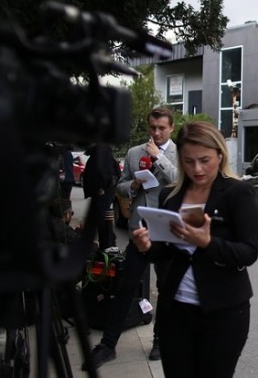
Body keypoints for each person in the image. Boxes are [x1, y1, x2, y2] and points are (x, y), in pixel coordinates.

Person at [131, 121, 258, 377]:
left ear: (220, 155)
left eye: (205, 160)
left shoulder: (239, 193)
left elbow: (248, 252)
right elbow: (166, 251)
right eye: (189, 161)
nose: (197, 169)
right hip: (176, 311)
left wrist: (207, 242)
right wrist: (146, 246)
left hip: (224, 313)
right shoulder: (171, 195)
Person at [84, 107, 178, 370]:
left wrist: (158, 157)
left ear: (171, 128)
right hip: (139, 230)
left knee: (166, 289)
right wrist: (133, 186)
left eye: (161, 128)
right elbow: (121, 186)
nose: (156, 133)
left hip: (166, 232)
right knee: (126, 287)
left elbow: (178, 181)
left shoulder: (178, 154)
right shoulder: (135, 153)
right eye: (152, 127)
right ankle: (108, 344)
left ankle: (160, 339)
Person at [82, 143, 121, 250]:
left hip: (103, 193)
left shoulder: (100, 152)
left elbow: (102, 173)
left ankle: (107, 246)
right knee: (103, 221)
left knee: (103, 220)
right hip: (104, 192)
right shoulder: (101, 151)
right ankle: (108, 245)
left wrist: (101, 187)